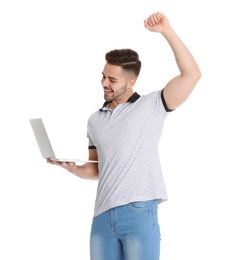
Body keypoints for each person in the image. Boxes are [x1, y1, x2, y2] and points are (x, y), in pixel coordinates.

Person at [47, 12, 201, 260]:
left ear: (131, 82)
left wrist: (167, 31)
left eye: (112, 79)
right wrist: (71, 167)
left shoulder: (152, 106)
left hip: (139, 211)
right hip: (102, 215)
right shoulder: (95, 120)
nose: (104, 83)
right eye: (103, 76)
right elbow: (96, 169)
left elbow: (192, 74)